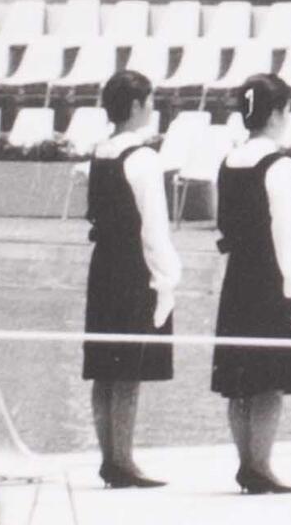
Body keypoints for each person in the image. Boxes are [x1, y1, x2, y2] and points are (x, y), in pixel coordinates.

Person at [212, 73, 291, 495]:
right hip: (270, 278)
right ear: (276, 113)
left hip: (238, 277)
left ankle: (247, 462)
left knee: (240, 379)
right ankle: (261, 463)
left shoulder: (229, 161)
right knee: (269, 379)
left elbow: (226, 223)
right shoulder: (279, 164)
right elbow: (288, 231)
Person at [82, 69, 179, 489]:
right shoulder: (141, 157)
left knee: (106, 369)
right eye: (151, 103)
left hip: (103, 265)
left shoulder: (101, 152)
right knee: (126, 371)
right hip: (131, 268)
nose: (152, 110)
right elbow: (153, 228)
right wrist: (166, 280)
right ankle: (122, 460)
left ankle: (112, 457)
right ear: (137, 106)